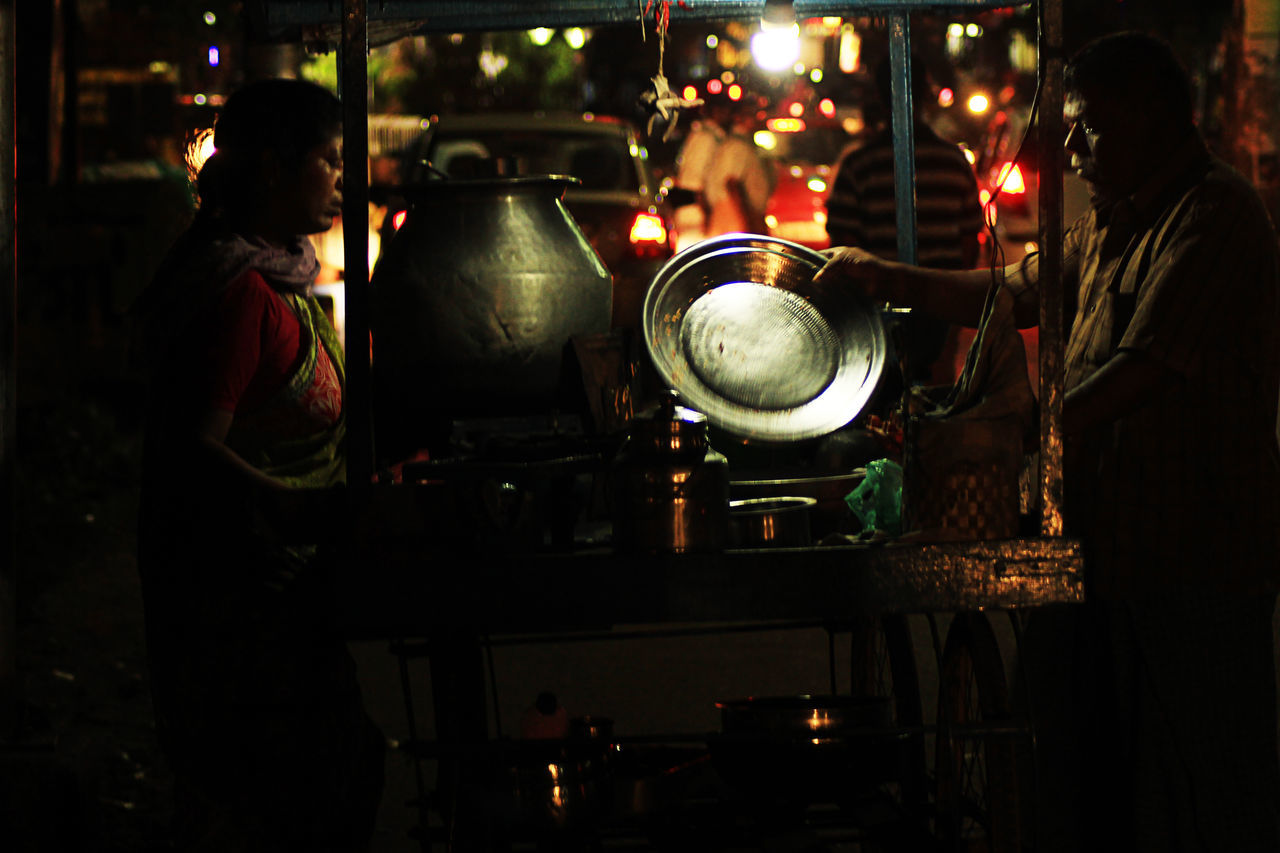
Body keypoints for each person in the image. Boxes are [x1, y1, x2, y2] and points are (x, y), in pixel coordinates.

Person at [815, 31, 1280, 851]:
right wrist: (883, 276)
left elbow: (1146, 365)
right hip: (1103, 557)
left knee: (1197, 791)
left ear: (1148, 120)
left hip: (1196, 565)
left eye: (1086, 127)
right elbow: (1008, 293)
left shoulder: (1216, 217)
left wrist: (1019, 429)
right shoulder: (1108, 222)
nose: (1069, 147)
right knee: (1085, 785)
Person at [133, 78, 385, 850]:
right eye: (329, 160)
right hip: (240, 610)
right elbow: (189, 447)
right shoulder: (239, 295)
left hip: (283, 597)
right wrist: (288, 503)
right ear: (275, 169)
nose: (344, 178)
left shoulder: (282, 275)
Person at [826, 53, 985, 384]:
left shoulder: (859, 165)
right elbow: (970, 240)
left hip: (878, 314)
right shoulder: (953, 161)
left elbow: (843, 245)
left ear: (878, 99)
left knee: (881, 405)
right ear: (927, 96)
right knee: (936, 400)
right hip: (941, 307)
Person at [702, 97, 774, 238]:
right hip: (734, 218)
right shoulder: (737, 146)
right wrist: (747, 221)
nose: (759, 119)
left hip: (739, 216)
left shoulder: (742, 144)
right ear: (740, 118)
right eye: (754, 114)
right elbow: (731, 183)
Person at [672, 91, 731, 250]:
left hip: (694, 213)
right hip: (696, 217)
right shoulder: (707, 139)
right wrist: (708, 217)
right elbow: (696, 182)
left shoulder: (703, 135)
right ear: (717, 111)